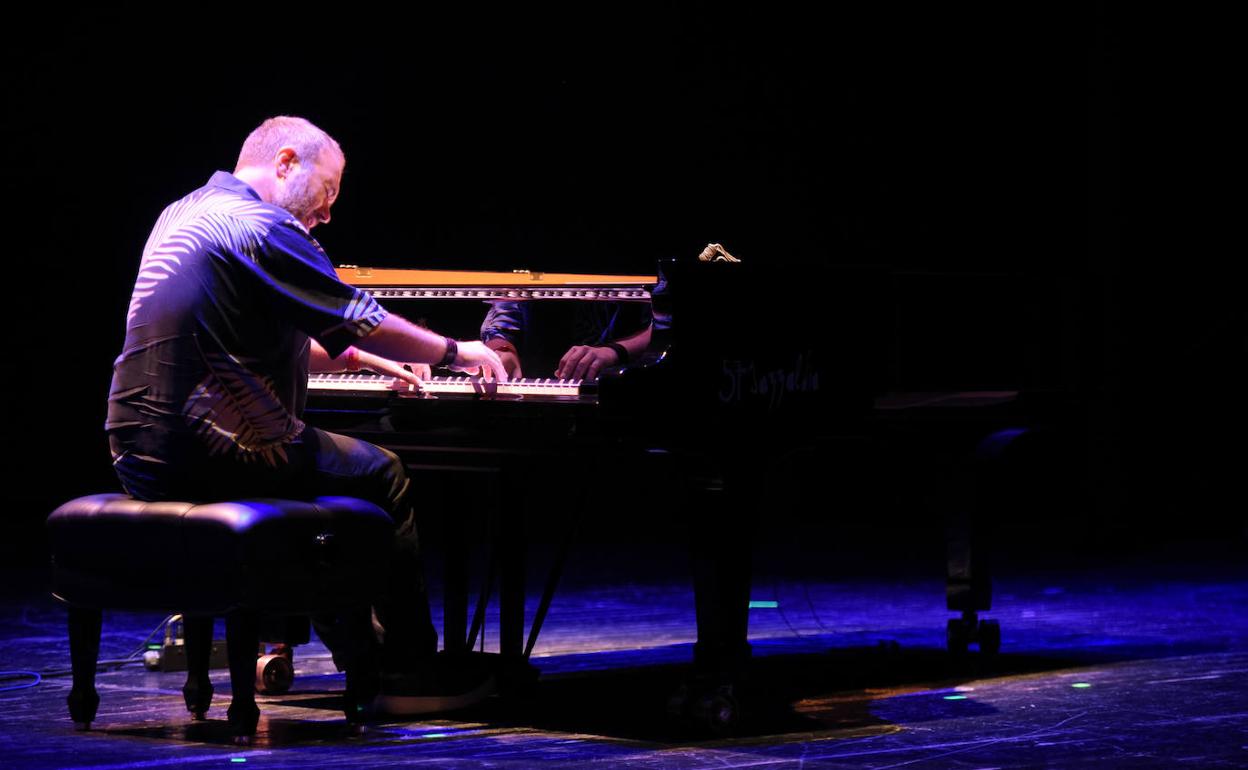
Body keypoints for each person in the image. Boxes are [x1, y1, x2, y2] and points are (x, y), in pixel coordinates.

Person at [105, 115, 506, 715]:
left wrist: (364, 362)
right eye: (328, 192)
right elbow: (359, 316)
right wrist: (456, 351)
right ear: (287, 162)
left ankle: (361, 656)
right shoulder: (262, 226)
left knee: (316, 497)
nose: (326, 213)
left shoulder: (185, 211)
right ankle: (406, 673)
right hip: (210, 452)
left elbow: (265, 334)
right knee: (381, 473)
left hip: (137, 447)